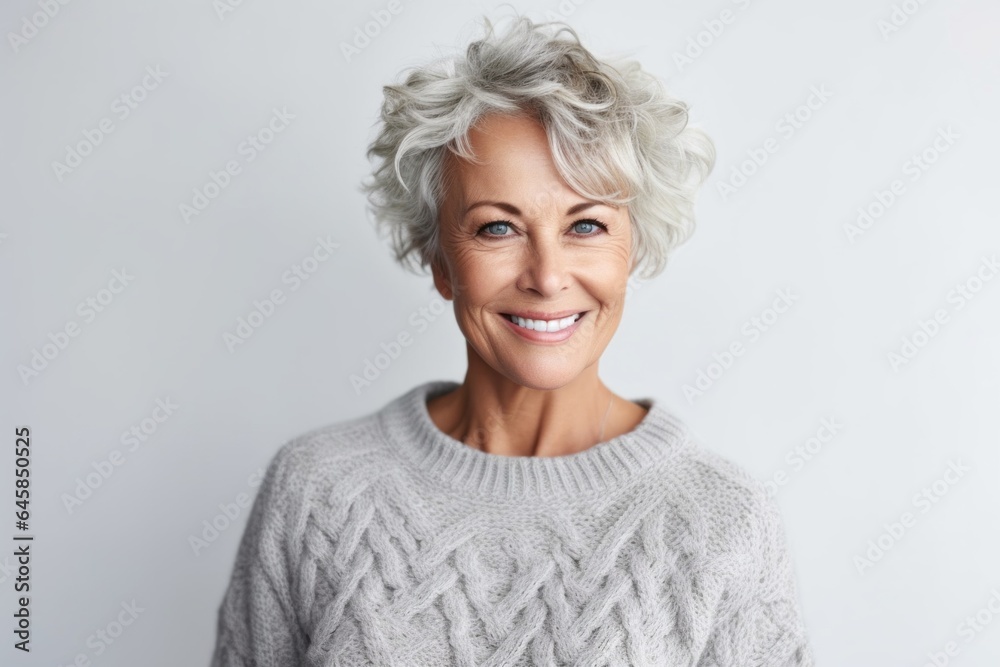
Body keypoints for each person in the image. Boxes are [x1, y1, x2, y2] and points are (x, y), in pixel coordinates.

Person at [210, 14, 815, 666]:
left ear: (632, 250)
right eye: (498, 228)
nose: (548, 276)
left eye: (585, 225)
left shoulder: (723, 521)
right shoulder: (316, 491)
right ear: (439, 258)